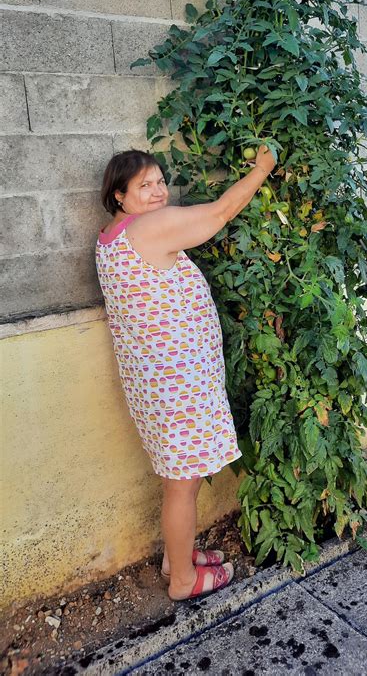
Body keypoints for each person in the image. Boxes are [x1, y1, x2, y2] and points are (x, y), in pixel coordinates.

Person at [95, 144, 277, 602]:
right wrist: (261, 168)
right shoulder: (148, 227)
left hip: (157, 383)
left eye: (160, 181)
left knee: (179, 479)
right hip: (177, 384)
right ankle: (182, 581)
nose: (158, 191)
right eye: (144, 185)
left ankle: (177, 558)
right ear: (120, 195)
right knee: (183, 486)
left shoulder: (111, 235)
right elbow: (221, 212)